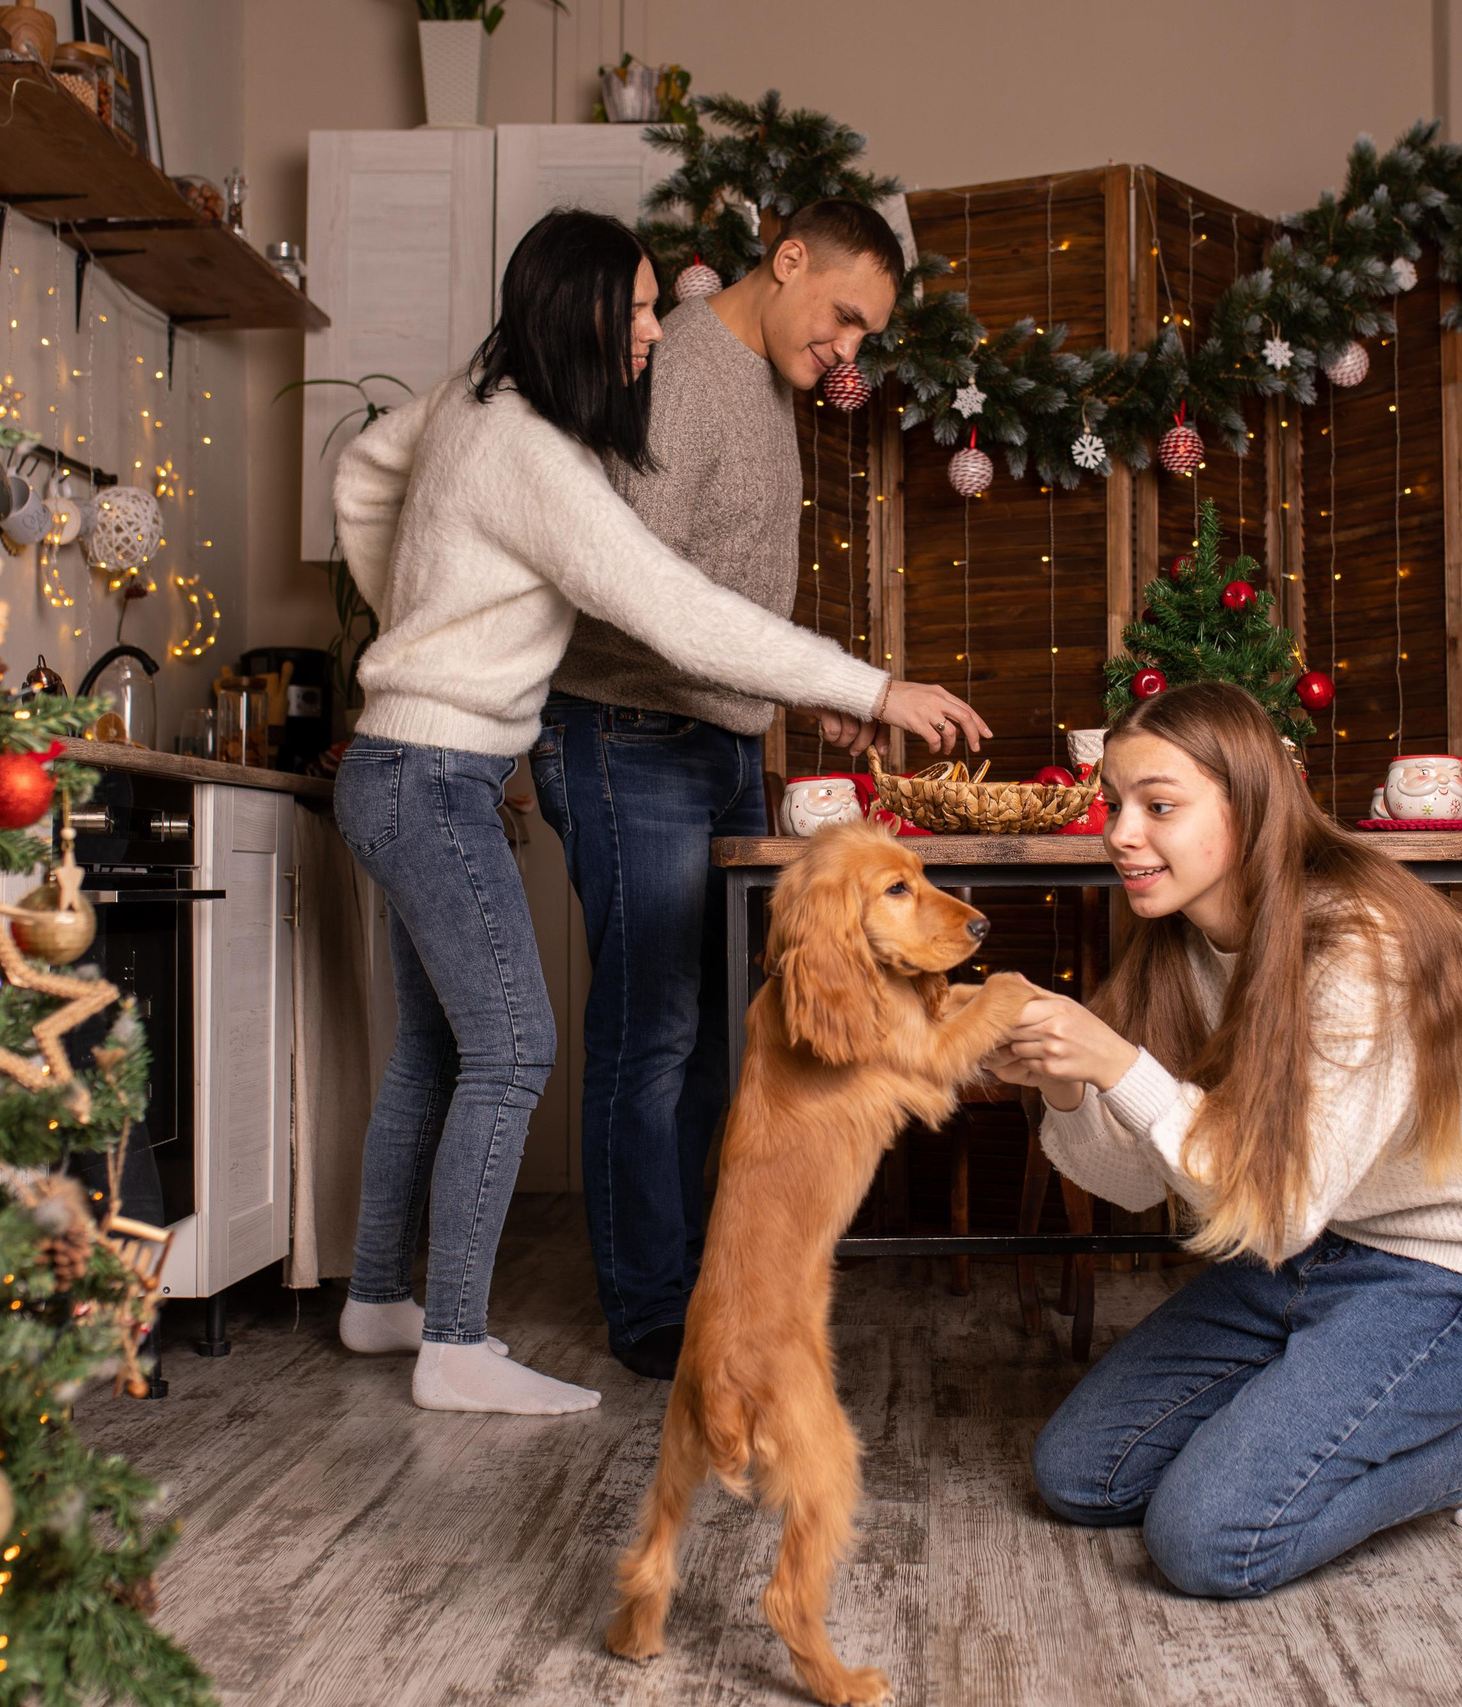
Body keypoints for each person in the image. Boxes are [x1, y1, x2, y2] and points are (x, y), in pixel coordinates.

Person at [327, 209, 989, 1417]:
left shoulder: (481, 396)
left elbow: (365, 467)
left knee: (441, 1051)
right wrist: (871, 686)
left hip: (428, 760)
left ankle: (383, 1296)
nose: (652, 330)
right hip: (497, 760)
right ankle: (487, 1340)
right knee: (536, 1046)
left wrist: (409, 627)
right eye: (634, 309)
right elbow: (664, 603)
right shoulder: (544, 438)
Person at [989, 681, 1462, 1596]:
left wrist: (1121, 1065)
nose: (1120, 833)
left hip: (1447, 1272)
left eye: (1160, 806)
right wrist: (1071, 1084)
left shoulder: (1362, 948)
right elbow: (1137, 1186)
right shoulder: (1180, 949)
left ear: (1249, 804)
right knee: (1080, 1474)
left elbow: (1280, 1197)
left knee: (1210, 1539)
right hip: (1307, 1246)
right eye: (1116, 804)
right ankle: (1319, 1398)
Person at [531, 198, 913, 1380]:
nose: (849, 350)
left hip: (721, 747)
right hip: (627, 733)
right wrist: (847, 687)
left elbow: (727, 596)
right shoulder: (688, 367)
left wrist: (804, 703)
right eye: (843, 315)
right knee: (650, 1039)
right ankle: (649, 1312)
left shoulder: (765, 387)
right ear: (787, 260)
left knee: (718, 1042)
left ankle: (708, 1280)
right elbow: (638, 591)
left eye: (867, 335)